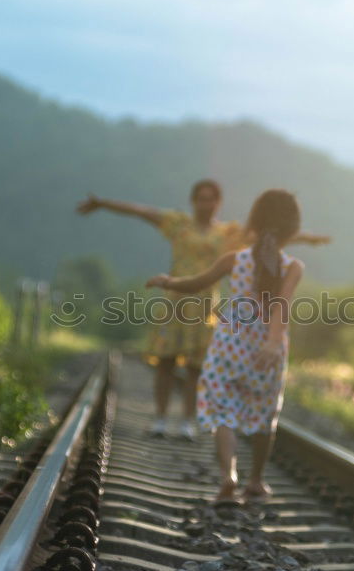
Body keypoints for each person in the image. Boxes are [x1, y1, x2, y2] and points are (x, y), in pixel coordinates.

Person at [78, 180, 327, 440]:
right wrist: (103, 203)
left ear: (218, 203)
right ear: (193, 200)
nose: (206, 204)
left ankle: (187, 420)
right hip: (175, 302)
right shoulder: (178, 224)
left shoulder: (228, 234)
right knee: (166, 363)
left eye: (211, 199)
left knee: (196, 368)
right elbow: (142, 211)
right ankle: (161, 417)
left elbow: (271, 234)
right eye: (201, 198)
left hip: (206, 308)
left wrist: (307, 238)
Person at [146, 189, 304, 502]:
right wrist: (272, 343)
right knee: (264, 414)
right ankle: (255, 481)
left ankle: (227, 478)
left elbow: (194, 284)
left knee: (223, 412)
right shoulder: (293, 267)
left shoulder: (235, 259)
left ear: (253, 223)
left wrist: (168, 281)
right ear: (292, 229)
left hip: (229, 344)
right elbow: (280, 308)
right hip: (266, 348)